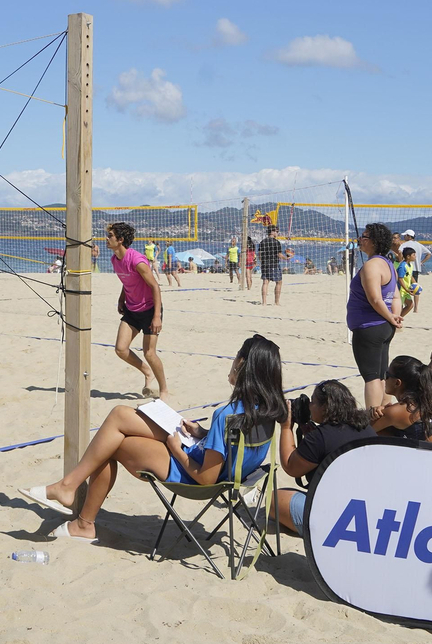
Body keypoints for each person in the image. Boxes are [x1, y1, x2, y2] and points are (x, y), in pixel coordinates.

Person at [22, 335, 286, 543]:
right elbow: (236, 448)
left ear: (242, 365)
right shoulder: (268, 412)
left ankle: (81, 517)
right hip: (222, 470)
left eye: (236, 357)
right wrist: (203, 434)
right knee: (119, 419)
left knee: (112, 441)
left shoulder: (226, 415)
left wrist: (176, 449)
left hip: (195, 476)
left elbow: (205, 477)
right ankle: (72, 497)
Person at [272, 379, 376, 536]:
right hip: (367, 509)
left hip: (337, 518)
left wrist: (286, 427)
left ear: (325, 407)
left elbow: (290, 466)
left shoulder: (321, 437)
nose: (309, 406)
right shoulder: (366, 427)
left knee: (273, 500)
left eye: (313, 402)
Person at [105, 221, 168, 400]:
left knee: (149, 352)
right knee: (121, 349)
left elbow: (155, 286)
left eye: (110, 236)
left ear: (120, 239)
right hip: (132, 309)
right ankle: (147, 372)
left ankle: (163, 390)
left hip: (149, 310)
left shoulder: (137, 260)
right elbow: (128, 282)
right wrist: (121, 298)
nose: (106, 239)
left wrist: (157, 317)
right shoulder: (114, 259)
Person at [349, 222, 404, 411]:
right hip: (383, 327)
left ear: (374, 241)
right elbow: (396, 296)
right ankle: (384, 414)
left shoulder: (372, 266)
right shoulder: (388, 263)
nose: (360, 240)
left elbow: (375, 299)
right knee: (381, 375)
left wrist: (391, 317)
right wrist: (394, 317)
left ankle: (373, 419)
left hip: (369, 327)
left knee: (371, 377)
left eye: (364, 237)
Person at [369, 355, 432, 444]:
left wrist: (373, 413)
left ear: (397, 383)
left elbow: (361, 430)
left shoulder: (400, 410)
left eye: (387, 375)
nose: (385, 379)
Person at [259, 224, 290, 306]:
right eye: (277, 231)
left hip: (264, 264)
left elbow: (259, 255)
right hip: (274, 264)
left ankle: (264, 302)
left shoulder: (262, 242)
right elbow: (279, 254)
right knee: (279, 282)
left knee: (265, 282)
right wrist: (286, 258)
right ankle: (276, 302)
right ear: (272, 232)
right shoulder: (276, 242)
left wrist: (262, 262)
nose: (277, 233)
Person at [397, 246, 422, 320]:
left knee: (410, 305)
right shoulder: (402, 266)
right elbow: (400, 279)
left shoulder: (410, 265)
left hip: (406, 290)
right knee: (398, 308)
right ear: (408, 256)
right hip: (400, 290)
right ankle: (396, 321)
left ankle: (398, 320)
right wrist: (406, 289)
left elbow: (410, 276)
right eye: (413, 255)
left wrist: (416, 285)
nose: (415, 257)